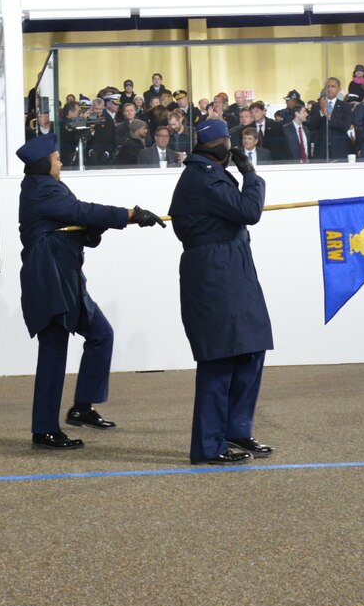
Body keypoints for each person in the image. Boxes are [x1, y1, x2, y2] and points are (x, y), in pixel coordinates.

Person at [15, 133, 163, 449]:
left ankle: (83, 407)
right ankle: (44, 430)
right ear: (44, 163)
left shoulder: (47, 187)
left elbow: (73, 222)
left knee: (101, 334)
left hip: (66, 277)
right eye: (56, 158)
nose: (61, 161)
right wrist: (130, 215)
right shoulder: (40, 189)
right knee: (53, 351)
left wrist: (93, 230)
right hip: (50, 279)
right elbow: (81, 212)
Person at [169, 120, 274, 466]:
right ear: (217, 145)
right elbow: (249, 211)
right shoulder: (203, 177)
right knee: (219, 357)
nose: (232, 150)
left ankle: (235, 428)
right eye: (228, 142)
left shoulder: (208, 172)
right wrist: (252, 177)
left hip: (231, 265)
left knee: (251, 346)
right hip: (214, 271)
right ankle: (208, 446)